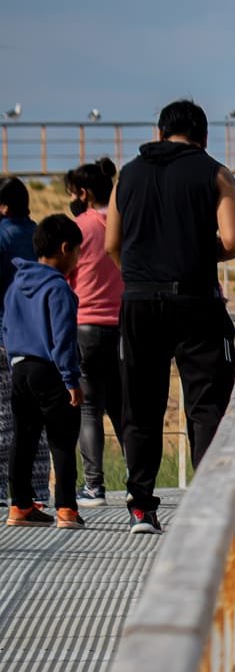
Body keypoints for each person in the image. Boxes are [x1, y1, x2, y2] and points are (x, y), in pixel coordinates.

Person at [107, 99, 235, 535]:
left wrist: (141, 276)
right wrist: (203, 253)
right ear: (203, 136)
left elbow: (113, 242)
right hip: (195, 302)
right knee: (205, 404)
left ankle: (141, 507)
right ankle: (204, 506)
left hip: (139, 302)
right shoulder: (214, 172)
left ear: (159, 132)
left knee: (142, 403)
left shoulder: (126, 175)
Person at [4, 215, 84, 529]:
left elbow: (7, 327)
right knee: (62, 439)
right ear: (65, 249)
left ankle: (20, 506)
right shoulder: (58, 289)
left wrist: (14, 359)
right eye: (78, 252)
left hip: (20, 368)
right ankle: (66, 508)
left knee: (23, 439)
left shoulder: (15, 285)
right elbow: (63, 337)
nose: (78, 258)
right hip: (50, 370)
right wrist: (71, 379)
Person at [64, 158, 125, 507]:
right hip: (121, 326)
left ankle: (94, 486)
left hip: (85, 324)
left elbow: (68, 276)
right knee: (121, 409)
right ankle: (137, 484)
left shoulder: (79, 228)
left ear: (83, 193)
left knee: (89, 410)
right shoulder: (123, 223)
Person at [0, 177, 53, 504]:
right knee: (37, 417)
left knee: (5, 417)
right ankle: (37, 490)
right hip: (39, 333)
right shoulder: (37, 234)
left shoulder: (2, 237)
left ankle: (6, 491)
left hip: (5, 331)